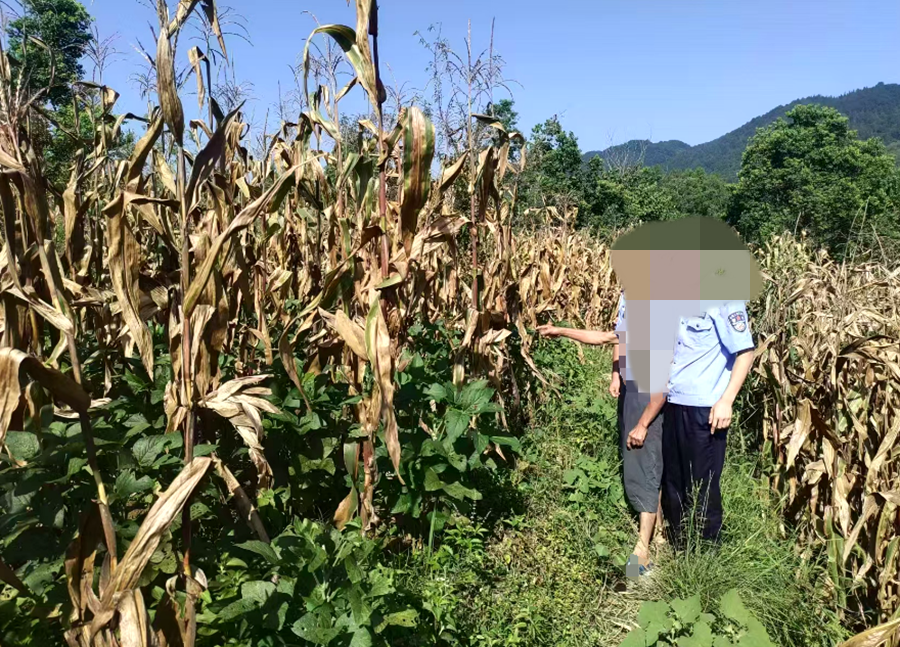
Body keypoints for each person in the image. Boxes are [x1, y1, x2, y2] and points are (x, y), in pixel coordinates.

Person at [537, 290, 666, 574]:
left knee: (644, 464)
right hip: (634, 388)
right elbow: (615, 338)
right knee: (646, 462)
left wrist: (643, 424)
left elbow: (608, 339)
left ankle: (642, 553)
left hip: (648, 396)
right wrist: (617, 373)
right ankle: (658, 535)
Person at [661, 301, 755, 549]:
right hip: (674, 401)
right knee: (674, 482)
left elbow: (745, 353)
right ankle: (679, 548)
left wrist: (727, 400)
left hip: (705, 408)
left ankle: (706, 553)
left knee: (703, 486)